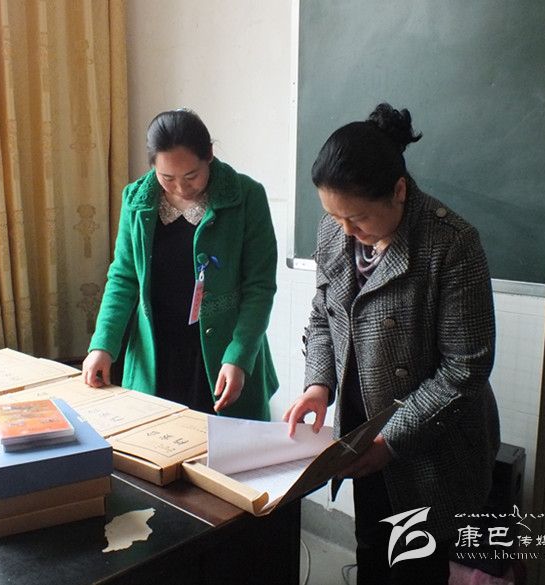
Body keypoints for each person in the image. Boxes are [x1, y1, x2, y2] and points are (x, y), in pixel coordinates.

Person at [283, 103, 500, 584]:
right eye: (334, 215)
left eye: (358, 218)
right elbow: (323, 314)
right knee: (372, 552)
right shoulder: (336, 228)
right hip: (362, 433)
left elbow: (465, 368)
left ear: (399, 191)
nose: (346, 231)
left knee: (414, 565)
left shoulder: (451, 243)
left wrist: (392, 440)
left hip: (426, 443)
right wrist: (318, 385)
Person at [83, 109, 278, 420]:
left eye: (191, 176)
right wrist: (102, 345)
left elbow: (260, 287)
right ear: (152, 166)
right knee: (155, 440)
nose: (181, 188)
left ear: (209, 155)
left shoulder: (246, 197)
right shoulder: (136, 200)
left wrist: (239, 356)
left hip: (222, 352)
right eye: (167, 178)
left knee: (226, 444)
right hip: (156, 352)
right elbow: (123, 278)